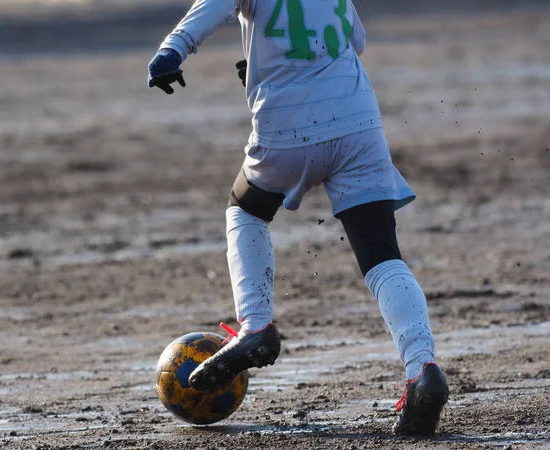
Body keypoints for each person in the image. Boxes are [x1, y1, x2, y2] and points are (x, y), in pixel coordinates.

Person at [148, 0, 449, 436]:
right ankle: (423, 369)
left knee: (246, 209)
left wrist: (170, 52)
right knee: (382, 256)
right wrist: (264, 59)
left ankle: (254, 326)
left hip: (289, 124)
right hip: (358, 123)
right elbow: (353, 41)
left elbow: (214, 6)